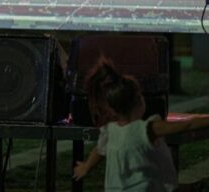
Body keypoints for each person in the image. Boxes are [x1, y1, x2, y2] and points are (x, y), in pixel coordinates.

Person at [72, 58, 209, 191]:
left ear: (113, 109)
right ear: (138, 100)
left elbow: (99, 150)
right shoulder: (147, 129)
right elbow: (188, 125)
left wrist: (86, 167)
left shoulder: (109, 131)